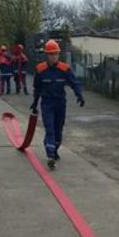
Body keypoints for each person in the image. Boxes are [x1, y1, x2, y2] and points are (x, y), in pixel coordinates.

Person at [32, 39, 85, 169]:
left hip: (60, 103)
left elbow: (74, 83)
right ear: (47, 55)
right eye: (51, 54)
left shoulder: (64, 69)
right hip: (47, 104)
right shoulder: (40, 70)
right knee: (49, 129)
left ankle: (54, 150)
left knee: (58, 130)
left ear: (58, 54)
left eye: (55, 53)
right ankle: (50, 155)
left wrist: (80, 95)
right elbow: (37, 88)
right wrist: (34, 103)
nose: (54, 56)